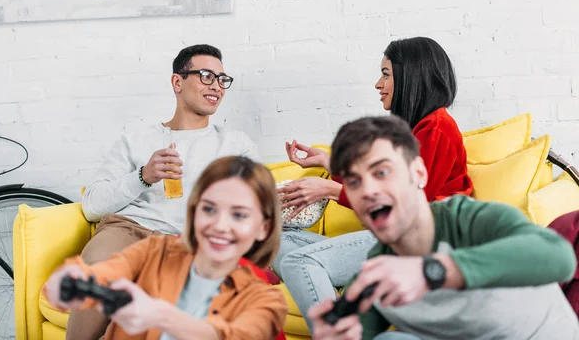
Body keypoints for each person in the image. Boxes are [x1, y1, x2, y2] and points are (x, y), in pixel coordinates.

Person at [308, 116, 578, 340]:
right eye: (354, 182)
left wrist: (432, 271)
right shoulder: (376, 278)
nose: (368, 191)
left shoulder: (467, 219)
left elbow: (560, 258)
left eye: (381, 173)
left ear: (419, 173)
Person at [272, 37, 473, 331]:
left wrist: (329, 188)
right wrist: (328, 163)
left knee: (300, 263)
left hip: (420, 244)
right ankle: (338, 291)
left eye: (386, 74)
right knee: (276, 242)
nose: (378, 84)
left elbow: (406, 208)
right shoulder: (413, 131)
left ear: (411, 75)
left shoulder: (438, 127)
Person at [69, 44, 259, 339]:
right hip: (130, 229)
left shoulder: (235, 144)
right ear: (177, 82)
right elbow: (92, 205)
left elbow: (262, 202)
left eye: (222, 80)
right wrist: (143, 177)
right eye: (206, 76)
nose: (217, 87)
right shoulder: (136, 138)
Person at [44, 156, 287, 340]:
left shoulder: (261, 298)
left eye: (239, 215)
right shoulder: (162, 253)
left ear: (263, 228)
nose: (220, 226)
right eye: (209, 209)